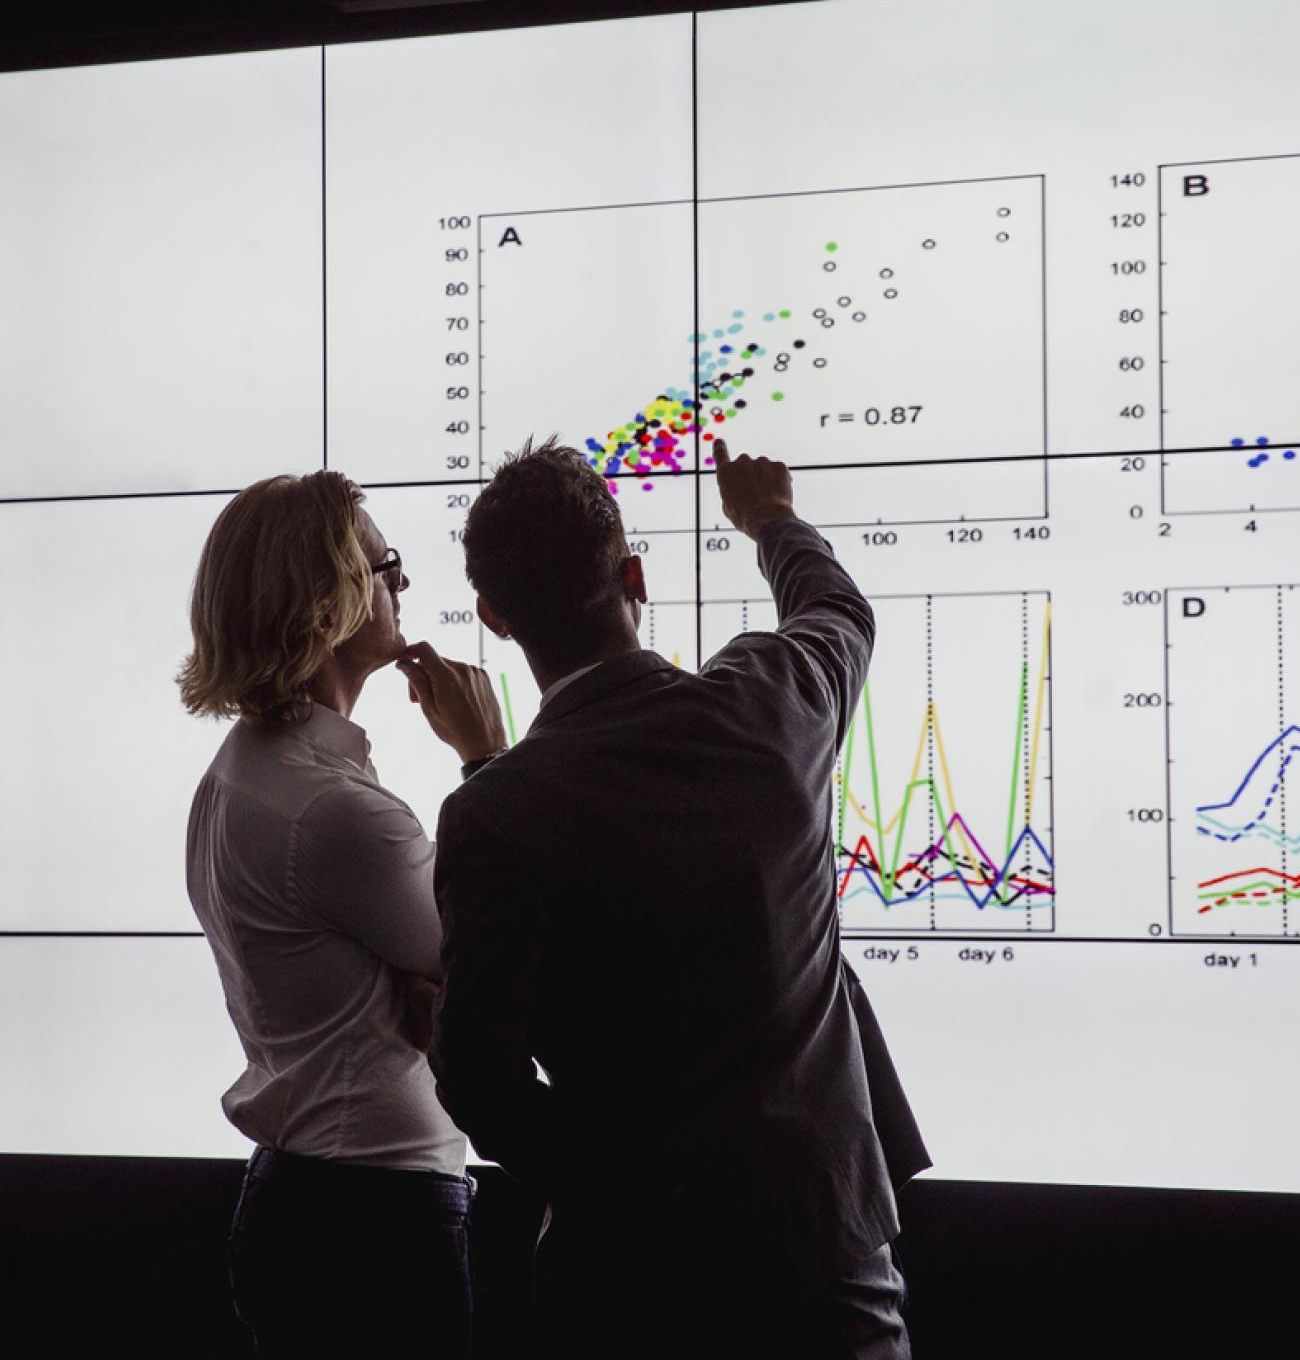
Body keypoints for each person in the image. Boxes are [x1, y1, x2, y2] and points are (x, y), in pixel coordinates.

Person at [414, 437, 931, 1356]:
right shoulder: (771, 703)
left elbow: (478, 1079)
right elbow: (838, 609)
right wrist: (769, 521)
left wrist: (622, 1183)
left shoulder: (495, 811)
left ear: (494, 617)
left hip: (631, 1281)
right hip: (826, 1259)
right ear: (635, 576)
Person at [178, 470, 506, 1357]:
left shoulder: (241, 776)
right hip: (374, 1223)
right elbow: (506, 961)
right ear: (325, 607)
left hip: (309, 1201)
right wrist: (489, 761)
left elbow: (448, 962)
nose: (401, 584)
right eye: (383, 567)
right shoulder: (334, 812)